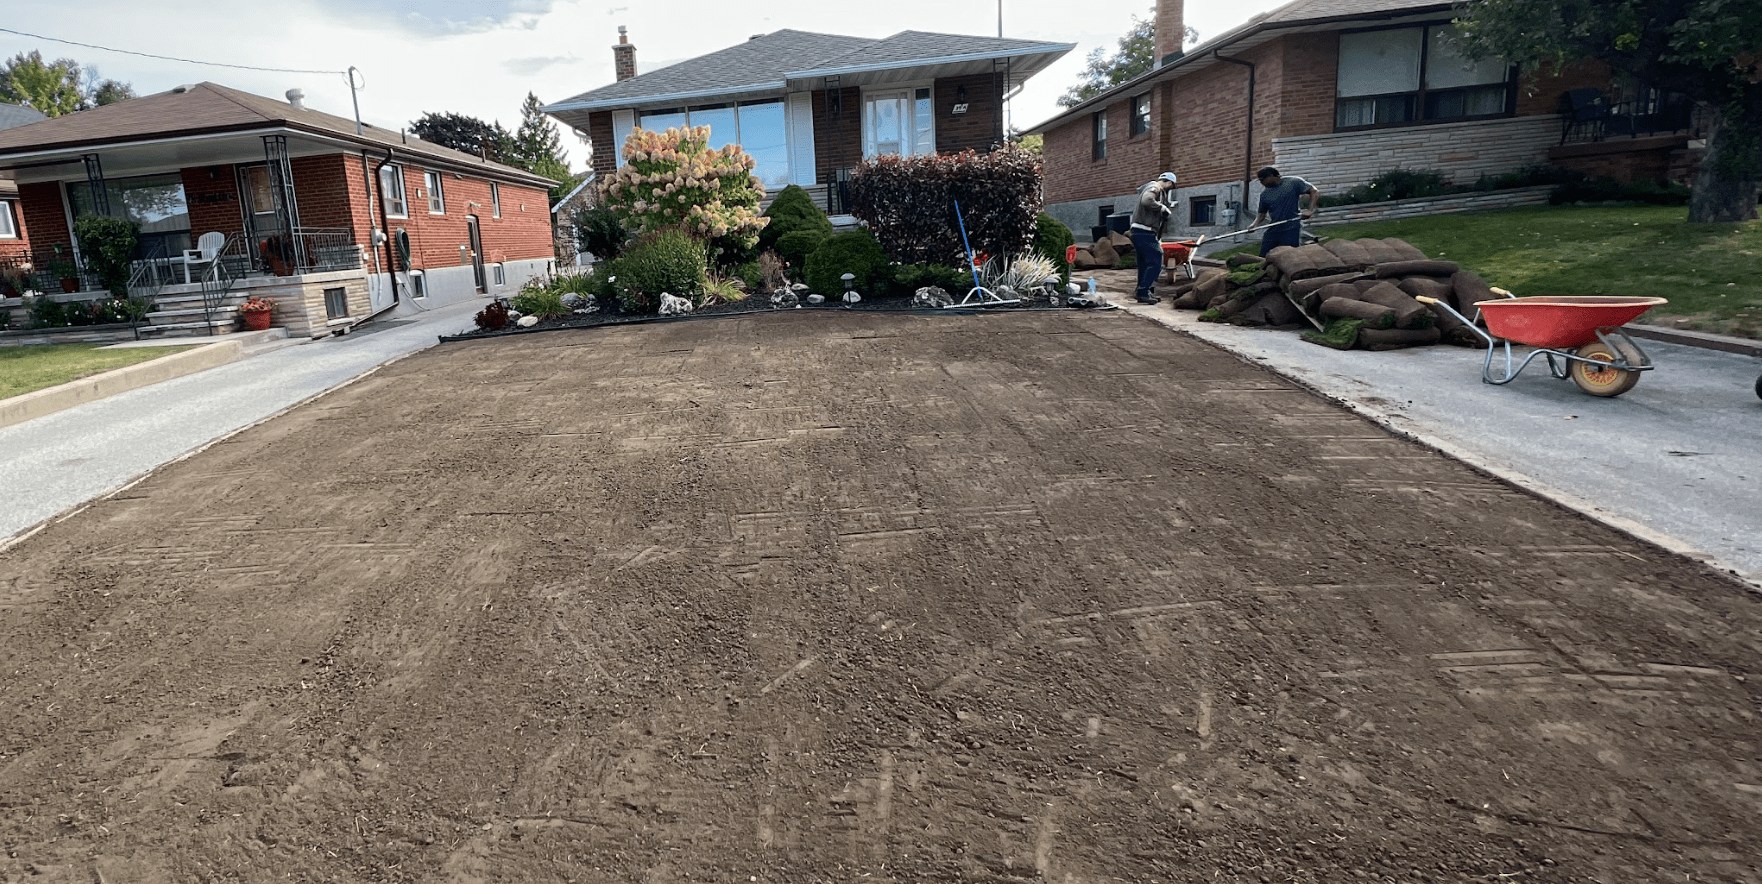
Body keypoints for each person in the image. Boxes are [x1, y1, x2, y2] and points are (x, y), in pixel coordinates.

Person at [1129, 172, 1179, 304]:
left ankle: (1143, 292)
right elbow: (1147, 200)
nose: (1170, 189)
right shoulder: (1155, 188)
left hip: (1140, 231)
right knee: (1156, 259)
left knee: (1144, 263)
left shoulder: (1153, 189)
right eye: (1171, 186)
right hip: (1144, 231)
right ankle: (1143, 291)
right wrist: (1161, 207)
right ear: (1169, 182)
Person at [1249, 166, 1320, 256]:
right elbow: (1261, 214)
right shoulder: (1265, 194)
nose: (1261, 183)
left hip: (1291, 227)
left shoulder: (1293, 182)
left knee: (1291, 255)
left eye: (1262, 180)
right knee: (1265, 255)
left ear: (1271, 176)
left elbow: (1314, 192)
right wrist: (1254, 225)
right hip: (1274, 228)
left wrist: (1309, 210)